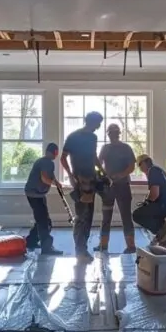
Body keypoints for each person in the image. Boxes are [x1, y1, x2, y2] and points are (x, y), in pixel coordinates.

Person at [61, 111, 104, 261]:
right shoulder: (74, 137)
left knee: (89, 215)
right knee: (81, 216)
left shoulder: (93, 137)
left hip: (91, 180)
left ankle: (83, 248)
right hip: (80, 181)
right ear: (92, 122)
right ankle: (80, 250)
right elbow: (63, 157)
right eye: (98, 123)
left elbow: (93, 156)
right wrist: (71, 176)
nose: (99, 127)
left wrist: (102, 171)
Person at [95, 124, 137, 253]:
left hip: (123, 186)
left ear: (118, 134)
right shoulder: (105, 148)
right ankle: (103, 245)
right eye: (111, 133)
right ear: (109, 134)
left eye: (114, 133)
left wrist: (120, 175)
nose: (112, 135)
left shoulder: (126, 148)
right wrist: (104, 174)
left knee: (125, 216)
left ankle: (131, 246)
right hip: (109, 187)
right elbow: (98, 162)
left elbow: (131, 166)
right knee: (106, 216)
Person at [23, 143, 64, 255]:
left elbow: (50, 176)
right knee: (44, 222)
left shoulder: (42, 161)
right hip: (36, 195)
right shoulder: (47, 162)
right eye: (56, 152)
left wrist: (57, 182)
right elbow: (45, 178)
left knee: (42, 219)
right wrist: (55, 184)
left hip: (35, 194)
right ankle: (47, 248)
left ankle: (31, 242)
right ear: (55, 152)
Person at [132, 154, 166, 250]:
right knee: (155, 218)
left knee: (137, 215)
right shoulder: (157, 170)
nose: (140, 168)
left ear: (144, 163)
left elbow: (155, 194)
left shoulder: (152, 171)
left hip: (165, 204)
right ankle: (165, 243)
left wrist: (147, 202)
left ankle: (161, 233)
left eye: (139, 165)